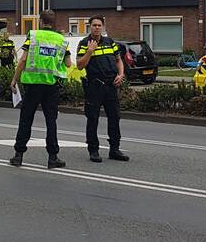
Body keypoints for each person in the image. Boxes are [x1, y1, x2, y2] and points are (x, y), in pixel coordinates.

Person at [10, 10, 71, 169]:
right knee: (51, 122)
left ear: (41, 21)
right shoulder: (61, 40)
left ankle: (18, 156)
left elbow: (23, 59)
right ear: (53, 22)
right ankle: (53, 158)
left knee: (26, 120)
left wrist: (14, 79)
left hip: (32, 85)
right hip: (51, 87)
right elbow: (69, 63)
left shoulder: (34, 35)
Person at [76, 16, 128, 162]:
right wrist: (89, 52)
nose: (97, 27)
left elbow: (119, 60)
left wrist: (121, 74)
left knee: (114, 117)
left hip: (111, 85)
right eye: (94, 25)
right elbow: (80, 65)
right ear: (89, 27)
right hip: (94, 86)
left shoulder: (110, 42)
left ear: (103, 27)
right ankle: (93, 150)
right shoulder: (84, 43)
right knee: (92, 119)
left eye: (99, 25)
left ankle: (114, 149)